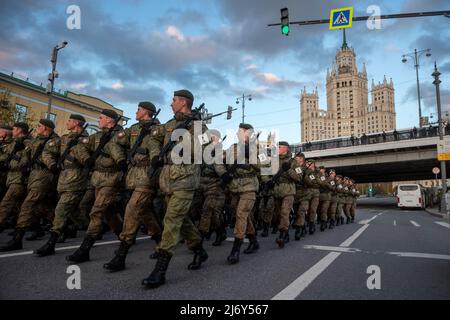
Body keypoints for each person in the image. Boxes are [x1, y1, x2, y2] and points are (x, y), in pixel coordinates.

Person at [142, 90, 208, 288]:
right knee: (181, 220)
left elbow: (202, 151)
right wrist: (155, 154)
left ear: (183, 102)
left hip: (186, 179)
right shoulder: (169, 125)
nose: (171, 103)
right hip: (168, 179)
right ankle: (198, 250)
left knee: (171, 220)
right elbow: (152, 138)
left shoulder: (199, 126)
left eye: (174, 100)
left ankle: (160, 270)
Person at [103, 102, 163, 271]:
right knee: (145, 212)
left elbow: (156, 147)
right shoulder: (133, 129)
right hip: (132, 176)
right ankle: (160, 241)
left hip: (147, 176)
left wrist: (154, 159)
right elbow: (113, 143)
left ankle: (121, 255)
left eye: (138, 110)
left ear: (146, 112)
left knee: (132, 209)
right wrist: (120, 159)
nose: (136, 112)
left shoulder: (157, 129)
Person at [66, 109, 127, 263]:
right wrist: (87, 159)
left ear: (110, 120)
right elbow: (80, 147)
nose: (98, 120)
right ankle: (124, 236)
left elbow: (124, 149)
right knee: (108, 212)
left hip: (112, 178)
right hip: (97, 178)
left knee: (97, 211)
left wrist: (119, 159)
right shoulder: (97, 136)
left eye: (101, 118)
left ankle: (85, 249)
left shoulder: (120, 135)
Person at [34, 114, 91, 257]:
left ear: (77, 123)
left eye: (70, 121)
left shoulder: (87, 140)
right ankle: (91, 228)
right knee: (72, 211)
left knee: (61, 209)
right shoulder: (64, 138)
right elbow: (47, 151)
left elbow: (88, 160)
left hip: (77, 178)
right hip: (63, 179)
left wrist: (76, 148)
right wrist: (52, 164)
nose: (67, 122)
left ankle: (51, 243)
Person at [0, 119, 60, 252]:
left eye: (39, 126)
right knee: (41, 207)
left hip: (43, 176)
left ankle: (17, 239)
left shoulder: (54, 141)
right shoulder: (34, 141)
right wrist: (19, 149)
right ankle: (62, 226)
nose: (37, 127)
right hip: (32, 176)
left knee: (27, 206)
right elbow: (26, 158)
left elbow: (48, 157)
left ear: (45, 128)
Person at [0, 123, 30, 233]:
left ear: (20, 130)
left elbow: (25, 162)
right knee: (19, 206)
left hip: (19, 179)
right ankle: (35, 227)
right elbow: (7, 156)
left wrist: (9, 165)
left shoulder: (27, 143)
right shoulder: (14, 143)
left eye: (14, 129)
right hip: (11, 178)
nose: (12, 131)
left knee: (6, 204)